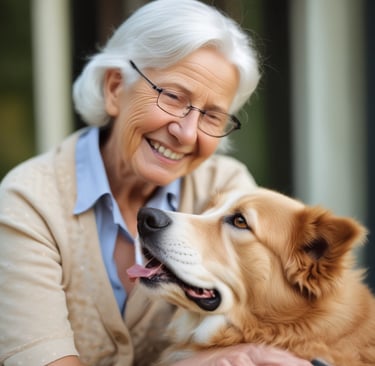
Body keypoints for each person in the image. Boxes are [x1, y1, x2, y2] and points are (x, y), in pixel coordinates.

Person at [0, 1, 314, 365]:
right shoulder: (28, 203)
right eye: (173, 97)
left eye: (212, 116)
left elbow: (269, 337)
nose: (186, 133)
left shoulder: (227, 191)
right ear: (116, 88)